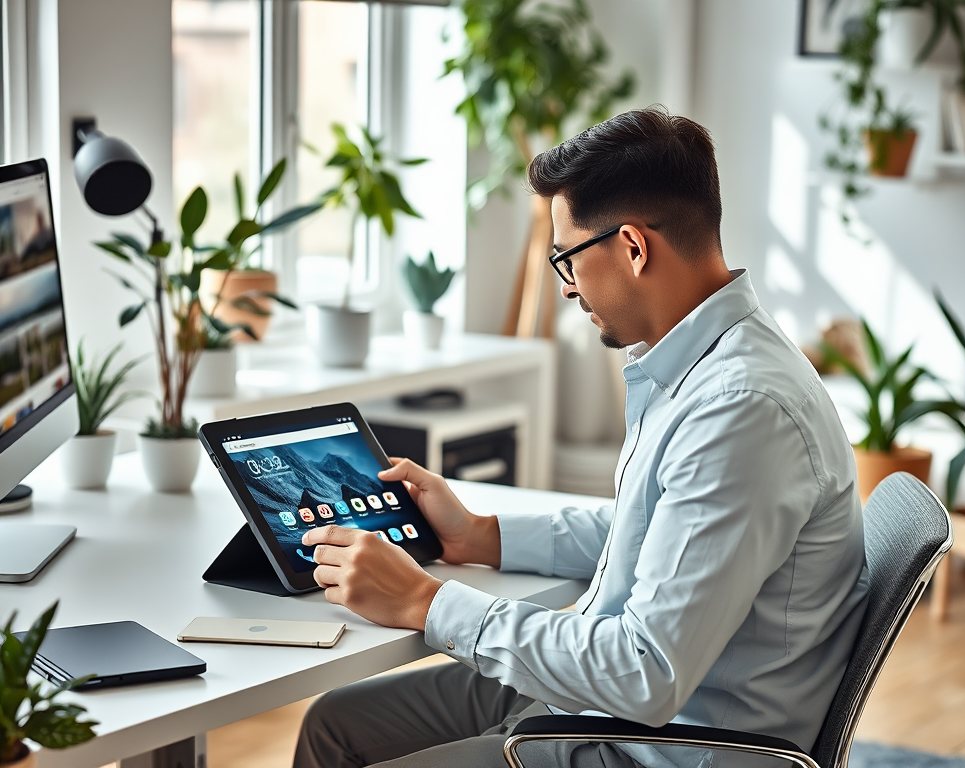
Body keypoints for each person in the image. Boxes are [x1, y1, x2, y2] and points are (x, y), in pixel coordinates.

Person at [293, 107, 868, 768]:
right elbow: (652, 529)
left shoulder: (742, 410)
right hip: (599, 706)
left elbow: (644, 674)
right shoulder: (702, 365)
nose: (565, 287)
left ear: (632, 247)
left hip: (660, 746)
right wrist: (480, 534)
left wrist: (425, 600)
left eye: (567, 258)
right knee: (338, 723)